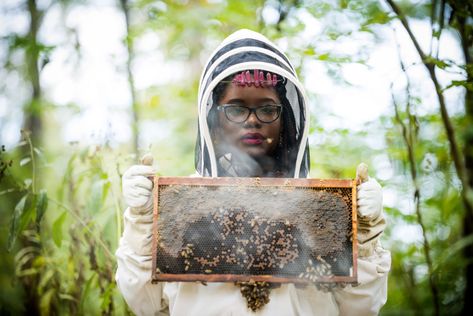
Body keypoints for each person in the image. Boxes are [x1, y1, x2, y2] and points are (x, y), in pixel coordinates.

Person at [116, 29, 390, 315]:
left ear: (284, 119)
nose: (252, 121)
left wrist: (366, 237)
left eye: (267, 109)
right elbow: (145, 304)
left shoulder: (321, 209)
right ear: (214, 119)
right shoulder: (180, 205)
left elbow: (360, 309)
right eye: (236, 109)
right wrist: (142, 221)